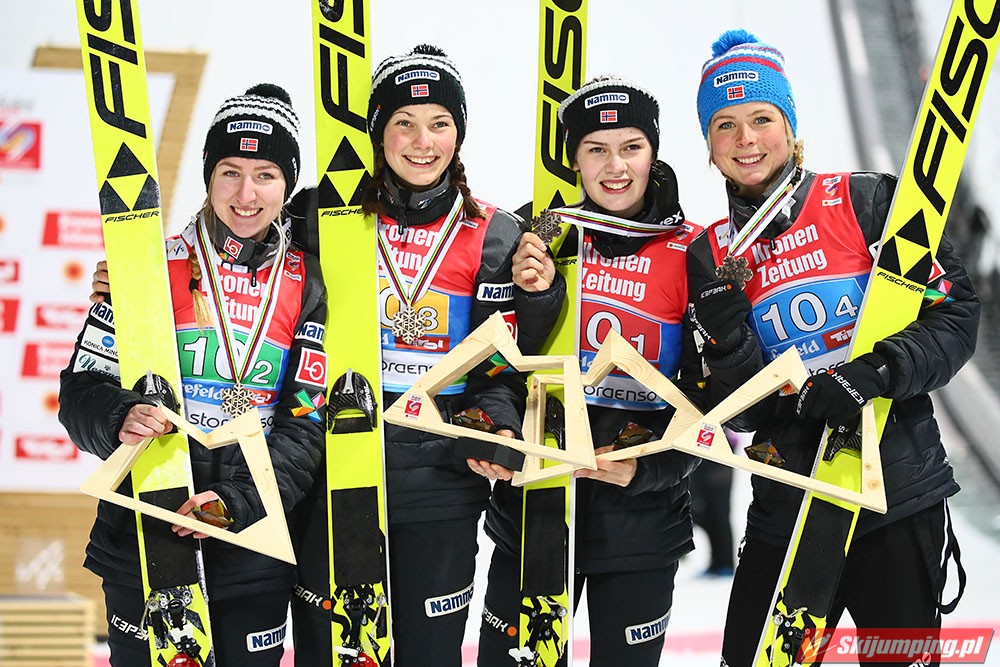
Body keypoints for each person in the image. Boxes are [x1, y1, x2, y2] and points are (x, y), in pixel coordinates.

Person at [685, 30, 977, 667]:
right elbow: (741, 413)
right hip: (787, 505)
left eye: (762, 118)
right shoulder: (709, 255)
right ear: (708, 145)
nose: (745, 139)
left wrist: (872, 373)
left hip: (895, 496)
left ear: (790, 127)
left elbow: (956, 317)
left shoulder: (869, 202)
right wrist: (729, 344)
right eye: (725, 125)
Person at [285, 45, 564, 666]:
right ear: (378, 133)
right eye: (403, 123)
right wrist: (135, 280)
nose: (422, 141)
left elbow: (496, 367)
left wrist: (495, 425)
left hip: (439, 480)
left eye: (439, 123)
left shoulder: (494, 232)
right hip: (339, 467)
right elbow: (241, 258)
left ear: (458, 134)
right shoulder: (320, 215)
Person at [60, 84, 327, 666]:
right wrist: (118, 415)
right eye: (230, 172)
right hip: (144, 534)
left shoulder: (308, 283)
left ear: (287, 185)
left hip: (251, 544)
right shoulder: (146, 269)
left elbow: (306, 422)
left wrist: (237, 501)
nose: (246, 194)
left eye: (265, 175)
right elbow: (79, 391)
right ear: (209, 177)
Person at [475, 75, 702, 666]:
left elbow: (710, 399)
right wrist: (495, 427)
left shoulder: (693, 249)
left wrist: (649, 467)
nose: (615, 166)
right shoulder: (534, 236)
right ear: (574, 159)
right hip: (535, 511)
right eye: (596, 149)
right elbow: (492, 363)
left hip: (641, 524)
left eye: (631, 147)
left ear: (653, 152)